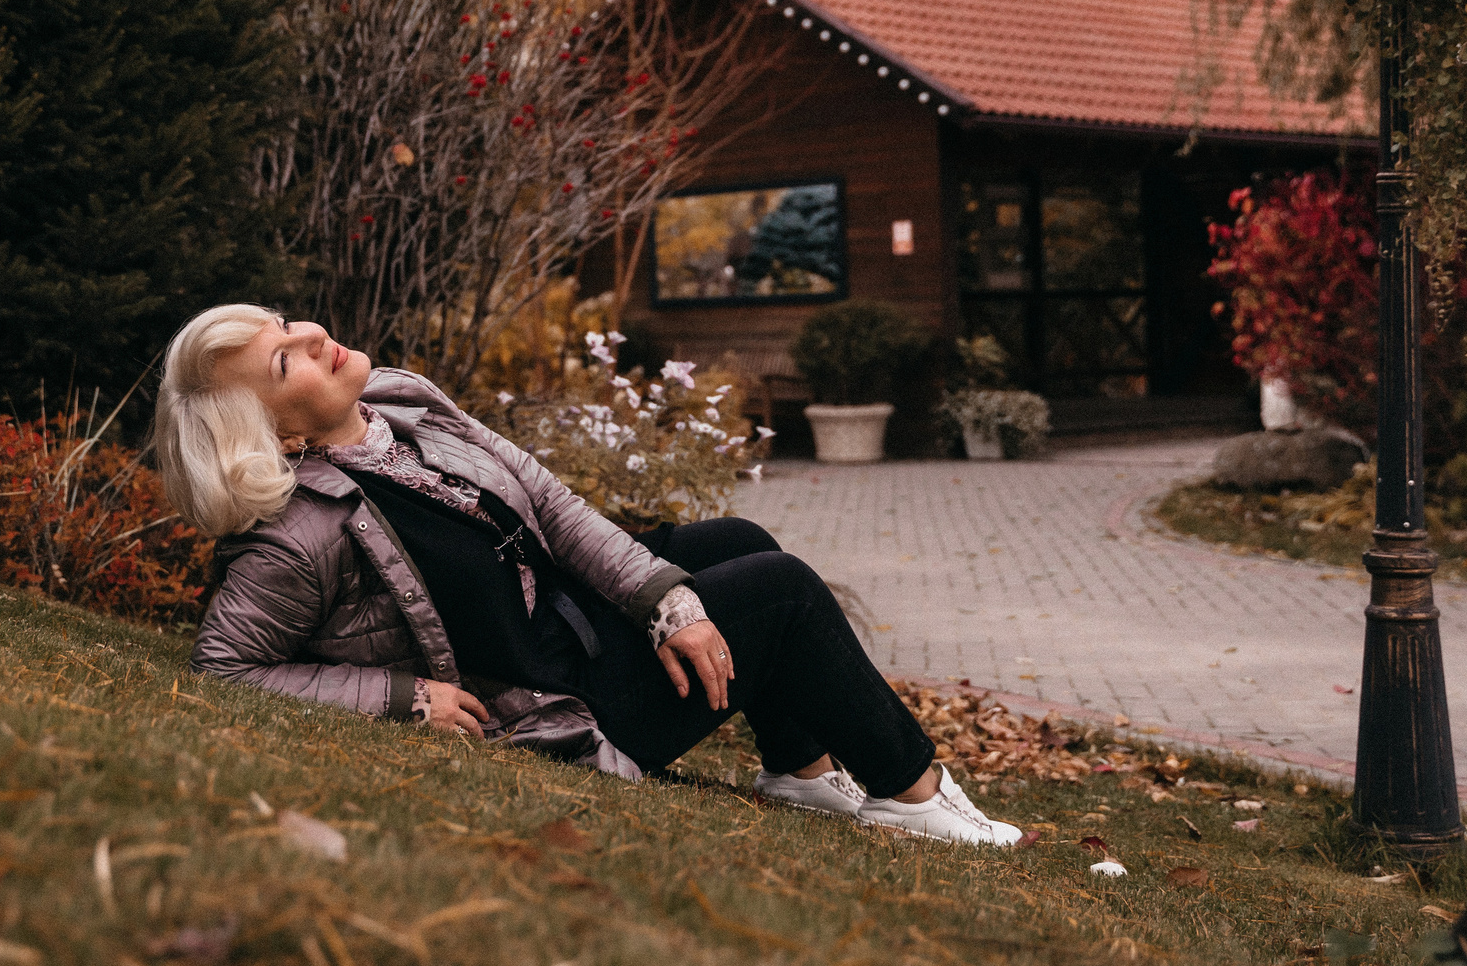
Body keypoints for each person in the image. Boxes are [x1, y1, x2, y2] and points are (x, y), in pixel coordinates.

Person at [153, 304, 1019, 846]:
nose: (308, 336)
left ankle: (797, 771)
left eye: (285, 324)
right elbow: (225, 667)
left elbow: (543, 494)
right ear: (275, 440)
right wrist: (399, 698)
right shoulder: (296, 532)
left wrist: (662, 602)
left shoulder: (399, 405)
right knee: (780, 588)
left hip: (575, 623)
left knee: (735, 537)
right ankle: (912, 794)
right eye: (282, 362)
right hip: (563, 707)